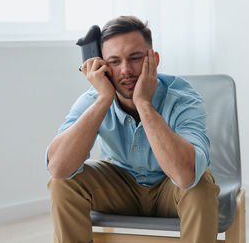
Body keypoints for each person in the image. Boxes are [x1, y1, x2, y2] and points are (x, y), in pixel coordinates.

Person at [45, 16, 220, 243]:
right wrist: (103, 99)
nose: (126, 70)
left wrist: (144, 104)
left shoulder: (183, 99)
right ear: (102, 65)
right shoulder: (94, 98)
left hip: (171, 189)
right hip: (119, 188)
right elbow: (58, 168)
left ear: (153, 59)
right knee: (63, 184)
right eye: (114, 62)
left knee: (200, 185)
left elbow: (186, 176)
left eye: (135, 58)